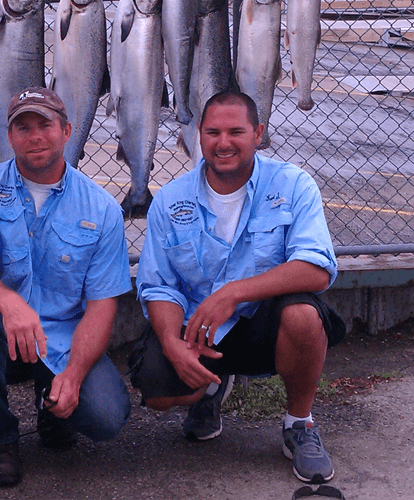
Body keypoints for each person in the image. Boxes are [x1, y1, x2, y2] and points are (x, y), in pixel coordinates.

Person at [131, 91, 345, 484]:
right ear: (199, 134)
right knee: (158, 389)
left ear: (258, 133)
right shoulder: (171, 200)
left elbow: (316, 267)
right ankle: (211, 391)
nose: (223, 142)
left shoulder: (293, 184)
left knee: (302, 314)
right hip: (200, 330)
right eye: (212, 132)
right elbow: (159, 286)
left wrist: (232, 293)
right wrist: (172, 343)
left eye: (236, 131)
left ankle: (299, 424)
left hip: (265, 325)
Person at [0, 87, 132, 488]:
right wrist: (10, 303)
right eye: (22, 127)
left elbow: (102, 306)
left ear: (66, 131)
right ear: (8, 137)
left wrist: (76, 373)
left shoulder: (102, 208)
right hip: (3, 333)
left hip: (65, 340)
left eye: (44, 125)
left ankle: (54, 401)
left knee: (105, 418)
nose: (34, 136)